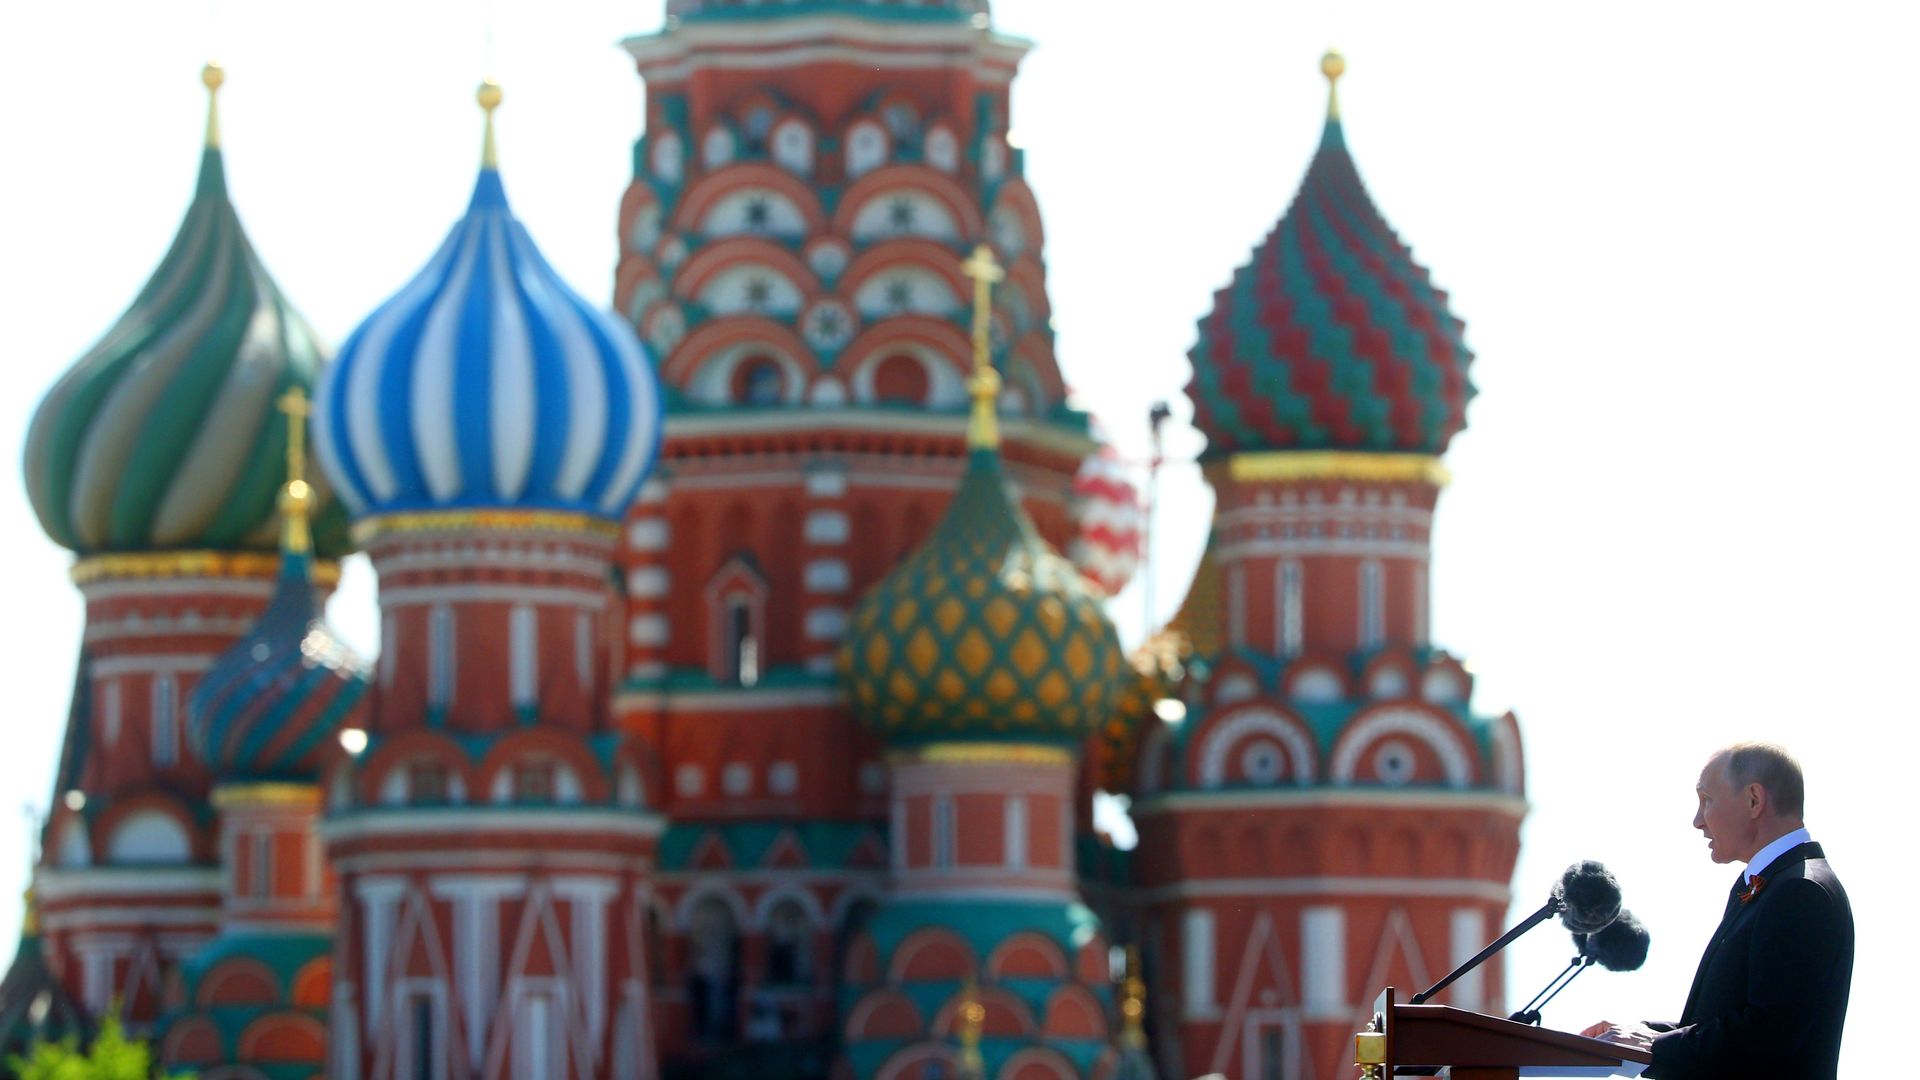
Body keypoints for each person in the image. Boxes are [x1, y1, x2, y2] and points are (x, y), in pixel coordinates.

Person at [1582, 742, 1852, 1078]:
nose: (1698, 821)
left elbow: (1768, 1036)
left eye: (1707, 799)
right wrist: (1641, 1034)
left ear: (1754, 800)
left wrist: (1654, 1046)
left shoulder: (1799, 891)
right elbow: (1728, 1021)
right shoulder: (1775, 883)